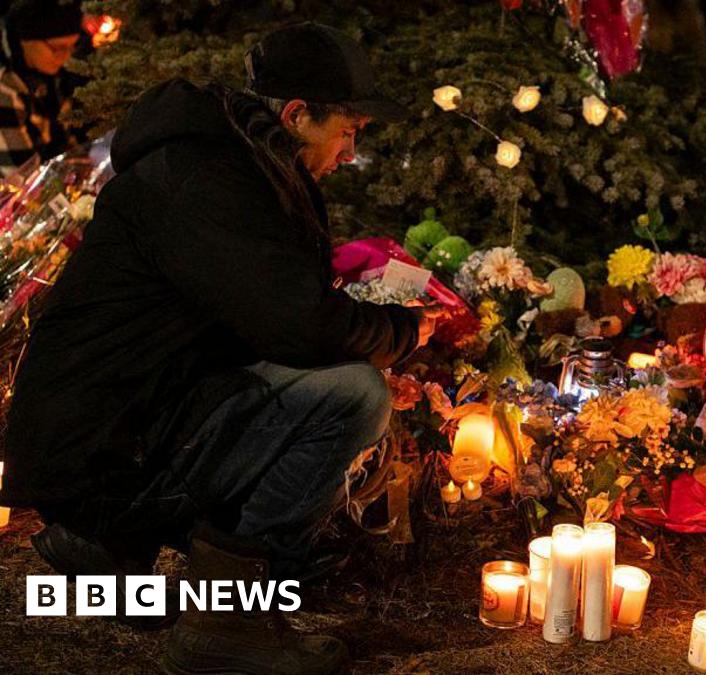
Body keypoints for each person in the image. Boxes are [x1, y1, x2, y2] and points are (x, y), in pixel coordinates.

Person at [0, 22, 435, 674]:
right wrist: (400, 336)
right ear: (296, 115)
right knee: (353, 397)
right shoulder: (206, 178)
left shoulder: (240, 161)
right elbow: (298, 322)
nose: (350, 153)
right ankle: (227, 620)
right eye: (347, 131)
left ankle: (107, 548)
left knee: (332, 379)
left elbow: (262, 317)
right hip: (104, 443)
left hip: (126, 420)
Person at [0, 0, 82, 175]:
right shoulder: (6, 90)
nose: (66, 57)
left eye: (72, 46)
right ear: (25, 41)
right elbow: (22, 176)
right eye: (58, 48)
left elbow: (67, 140)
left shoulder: (54, 76)